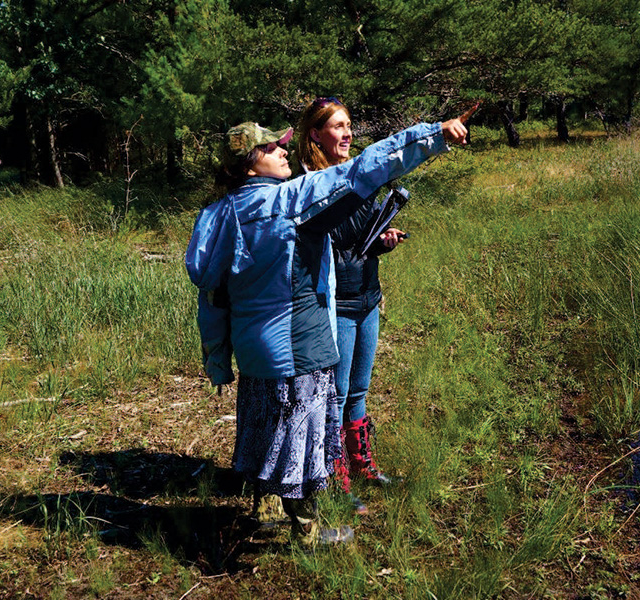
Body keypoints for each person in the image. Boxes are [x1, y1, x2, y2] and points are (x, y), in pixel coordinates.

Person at [185, 113, 469, 546]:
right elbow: (365, 167)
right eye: (270, 147)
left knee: (266, 426)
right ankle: (309, 533)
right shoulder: (289, 201)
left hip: (255, 347)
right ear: (248, 165)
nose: (283, 150)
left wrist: (217, 358)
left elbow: (213, 297)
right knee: (298, 435)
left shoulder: (220, 215)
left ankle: (266, 508)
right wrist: (433, 136)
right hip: (298, 344)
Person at [296, 98, 405, 515]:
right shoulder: (315, 184)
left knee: (358, 390)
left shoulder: (354, 181)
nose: (347, 134)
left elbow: (359, 236)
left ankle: (361, 463)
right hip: (336, 304)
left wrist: (382, 240)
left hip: (366, 297)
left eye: (349, 125)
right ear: (315, 134)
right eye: (338, 126)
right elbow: (333, 238)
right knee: (335, 396)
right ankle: (333, 475)